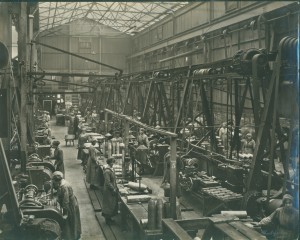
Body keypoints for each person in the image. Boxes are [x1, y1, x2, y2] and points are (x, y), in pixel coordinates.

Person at [52, 171, 81, 240]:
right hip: (71, 202)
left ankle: (72, 237)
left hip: (70, 205)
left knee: (70, 220)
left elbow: (66, 201)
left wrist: (65, 213)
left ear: (57, 181)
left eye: (54, 182)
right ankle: (74, 234)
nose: (54, 183)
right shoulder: (62, 181)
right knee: (72, 220)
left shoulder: (64, 186)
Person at [102, 157, 118, 225]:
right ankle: (107, 220)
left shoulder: (111, 169)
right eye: (111, 162)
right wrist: (113, 189)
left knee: (111, 204)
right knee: (108, 204)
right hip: (108, 190)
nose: (112, 164)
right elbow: (107, 182)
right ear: (108, 162)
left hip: (111, 189)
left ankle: (109, 218)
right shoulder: (107, 171)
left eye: (113, 162)